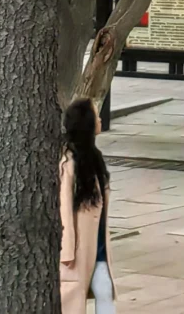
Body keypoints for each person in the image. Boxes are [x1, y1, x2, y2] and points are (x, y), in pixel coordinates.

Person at [60, 98, 117, 314]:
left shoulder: (95, 157)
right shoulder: (69, 162)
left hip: (98, 245)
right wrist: (66, 250)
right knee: (74, 301)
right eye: (96, 115)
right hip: (78, 249)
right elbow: (64, 207)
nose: (100, 119)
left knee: (105, 289)